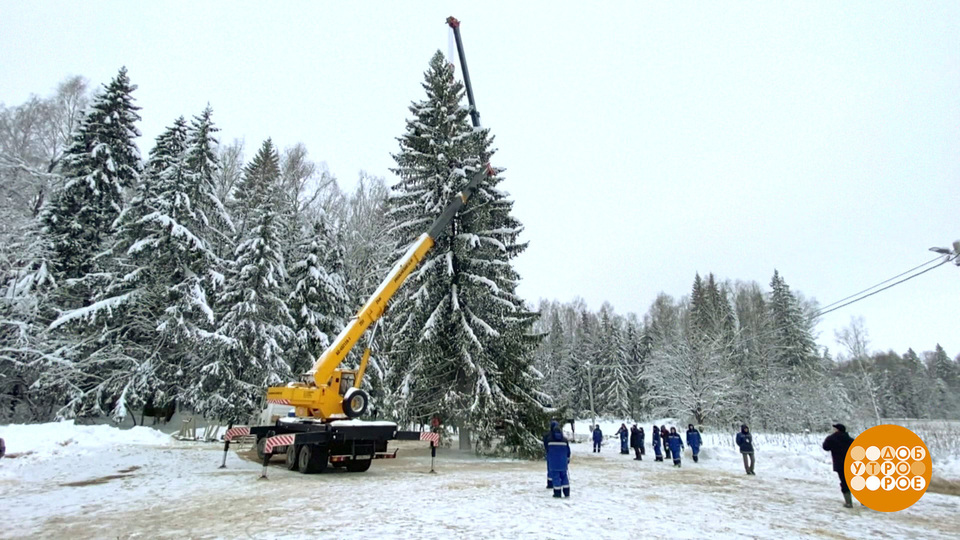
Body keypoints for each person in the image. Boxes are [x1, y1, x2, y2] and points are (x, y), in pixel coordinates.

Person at [823, 423, 855, 508]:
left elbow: (825, 447)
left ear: (837, 430)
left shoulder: (832, 439)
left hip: (840, 464)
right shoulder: (850, 439)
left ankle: (848, 502)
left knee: (844, 482)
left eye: (835, 429)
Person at [545, 420, 572, 498]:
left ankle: (557, 493)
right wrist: (567, 459)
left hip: (553, 463)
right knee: (564, 476)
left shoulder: (549, 440)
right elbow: (568, 451)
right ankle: (566, 492)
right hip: (563, 462)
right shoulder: (565, 440)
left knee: (556, 477)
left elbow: (547, 450)